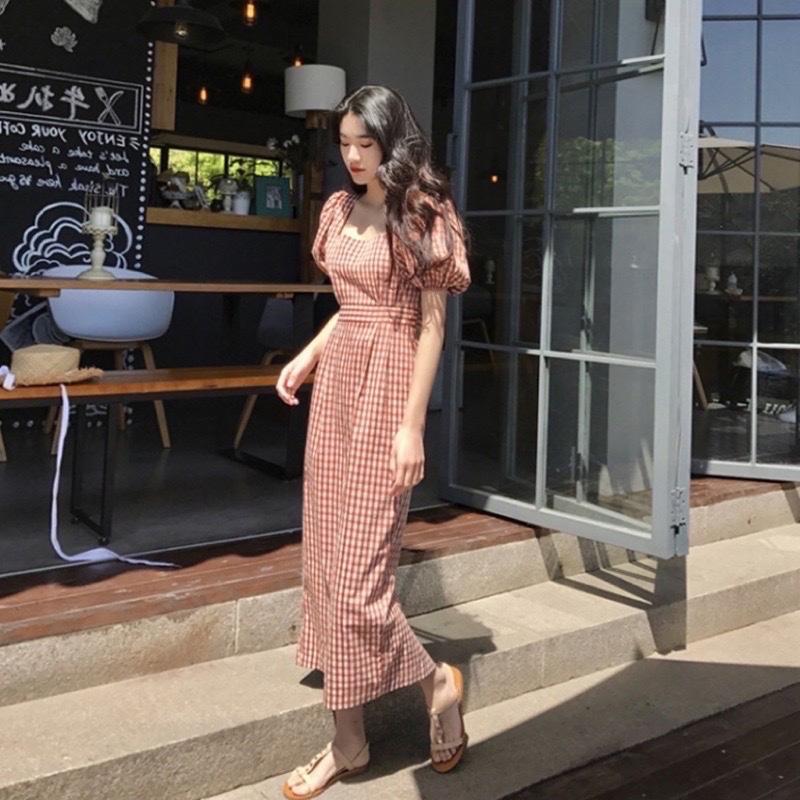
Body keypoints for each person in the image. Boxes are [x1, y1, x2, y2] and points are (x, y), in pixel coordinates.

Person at [276, 84, 472, 799]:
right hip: (337, 395)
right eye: (345, 143)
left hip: (388, 393)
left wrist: (413, 424)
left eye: (366, 143)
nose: (354, 156)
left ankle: (437, 684)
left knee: (362, 584)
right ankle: (348, 742)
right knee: (327, 568)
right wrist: (309, 355)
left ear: (392, 140)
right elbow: (351, 306)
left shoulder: (424, 214)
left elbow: (430, 326)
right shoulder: (337, 209)